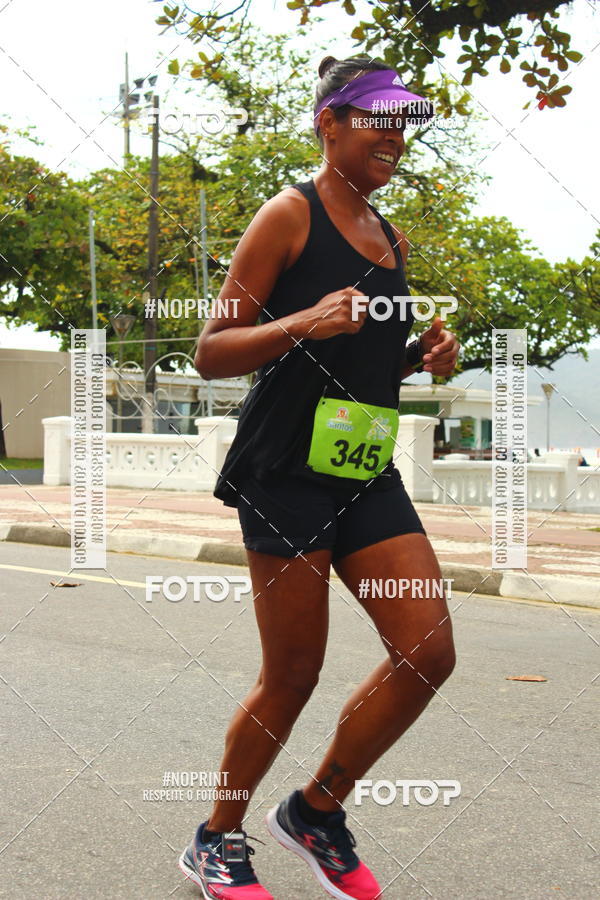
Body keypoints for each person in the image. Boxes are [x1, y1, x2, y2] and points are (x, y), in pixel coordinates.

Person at [179, 56, 460, 900]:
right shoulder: (287, 216)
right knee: (294, 673)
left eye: (406, 121)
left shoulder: (390, 237)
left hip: (361, 462)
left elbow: (361, 367)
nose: (394, 135)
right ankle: (216, 838)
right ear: (329, 122)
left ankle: (316, 811)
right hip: (285, 470)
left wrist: (417, 358)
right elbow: (210, 354)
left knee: (428, 652)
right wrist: (302, 318)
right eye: (378, 116)